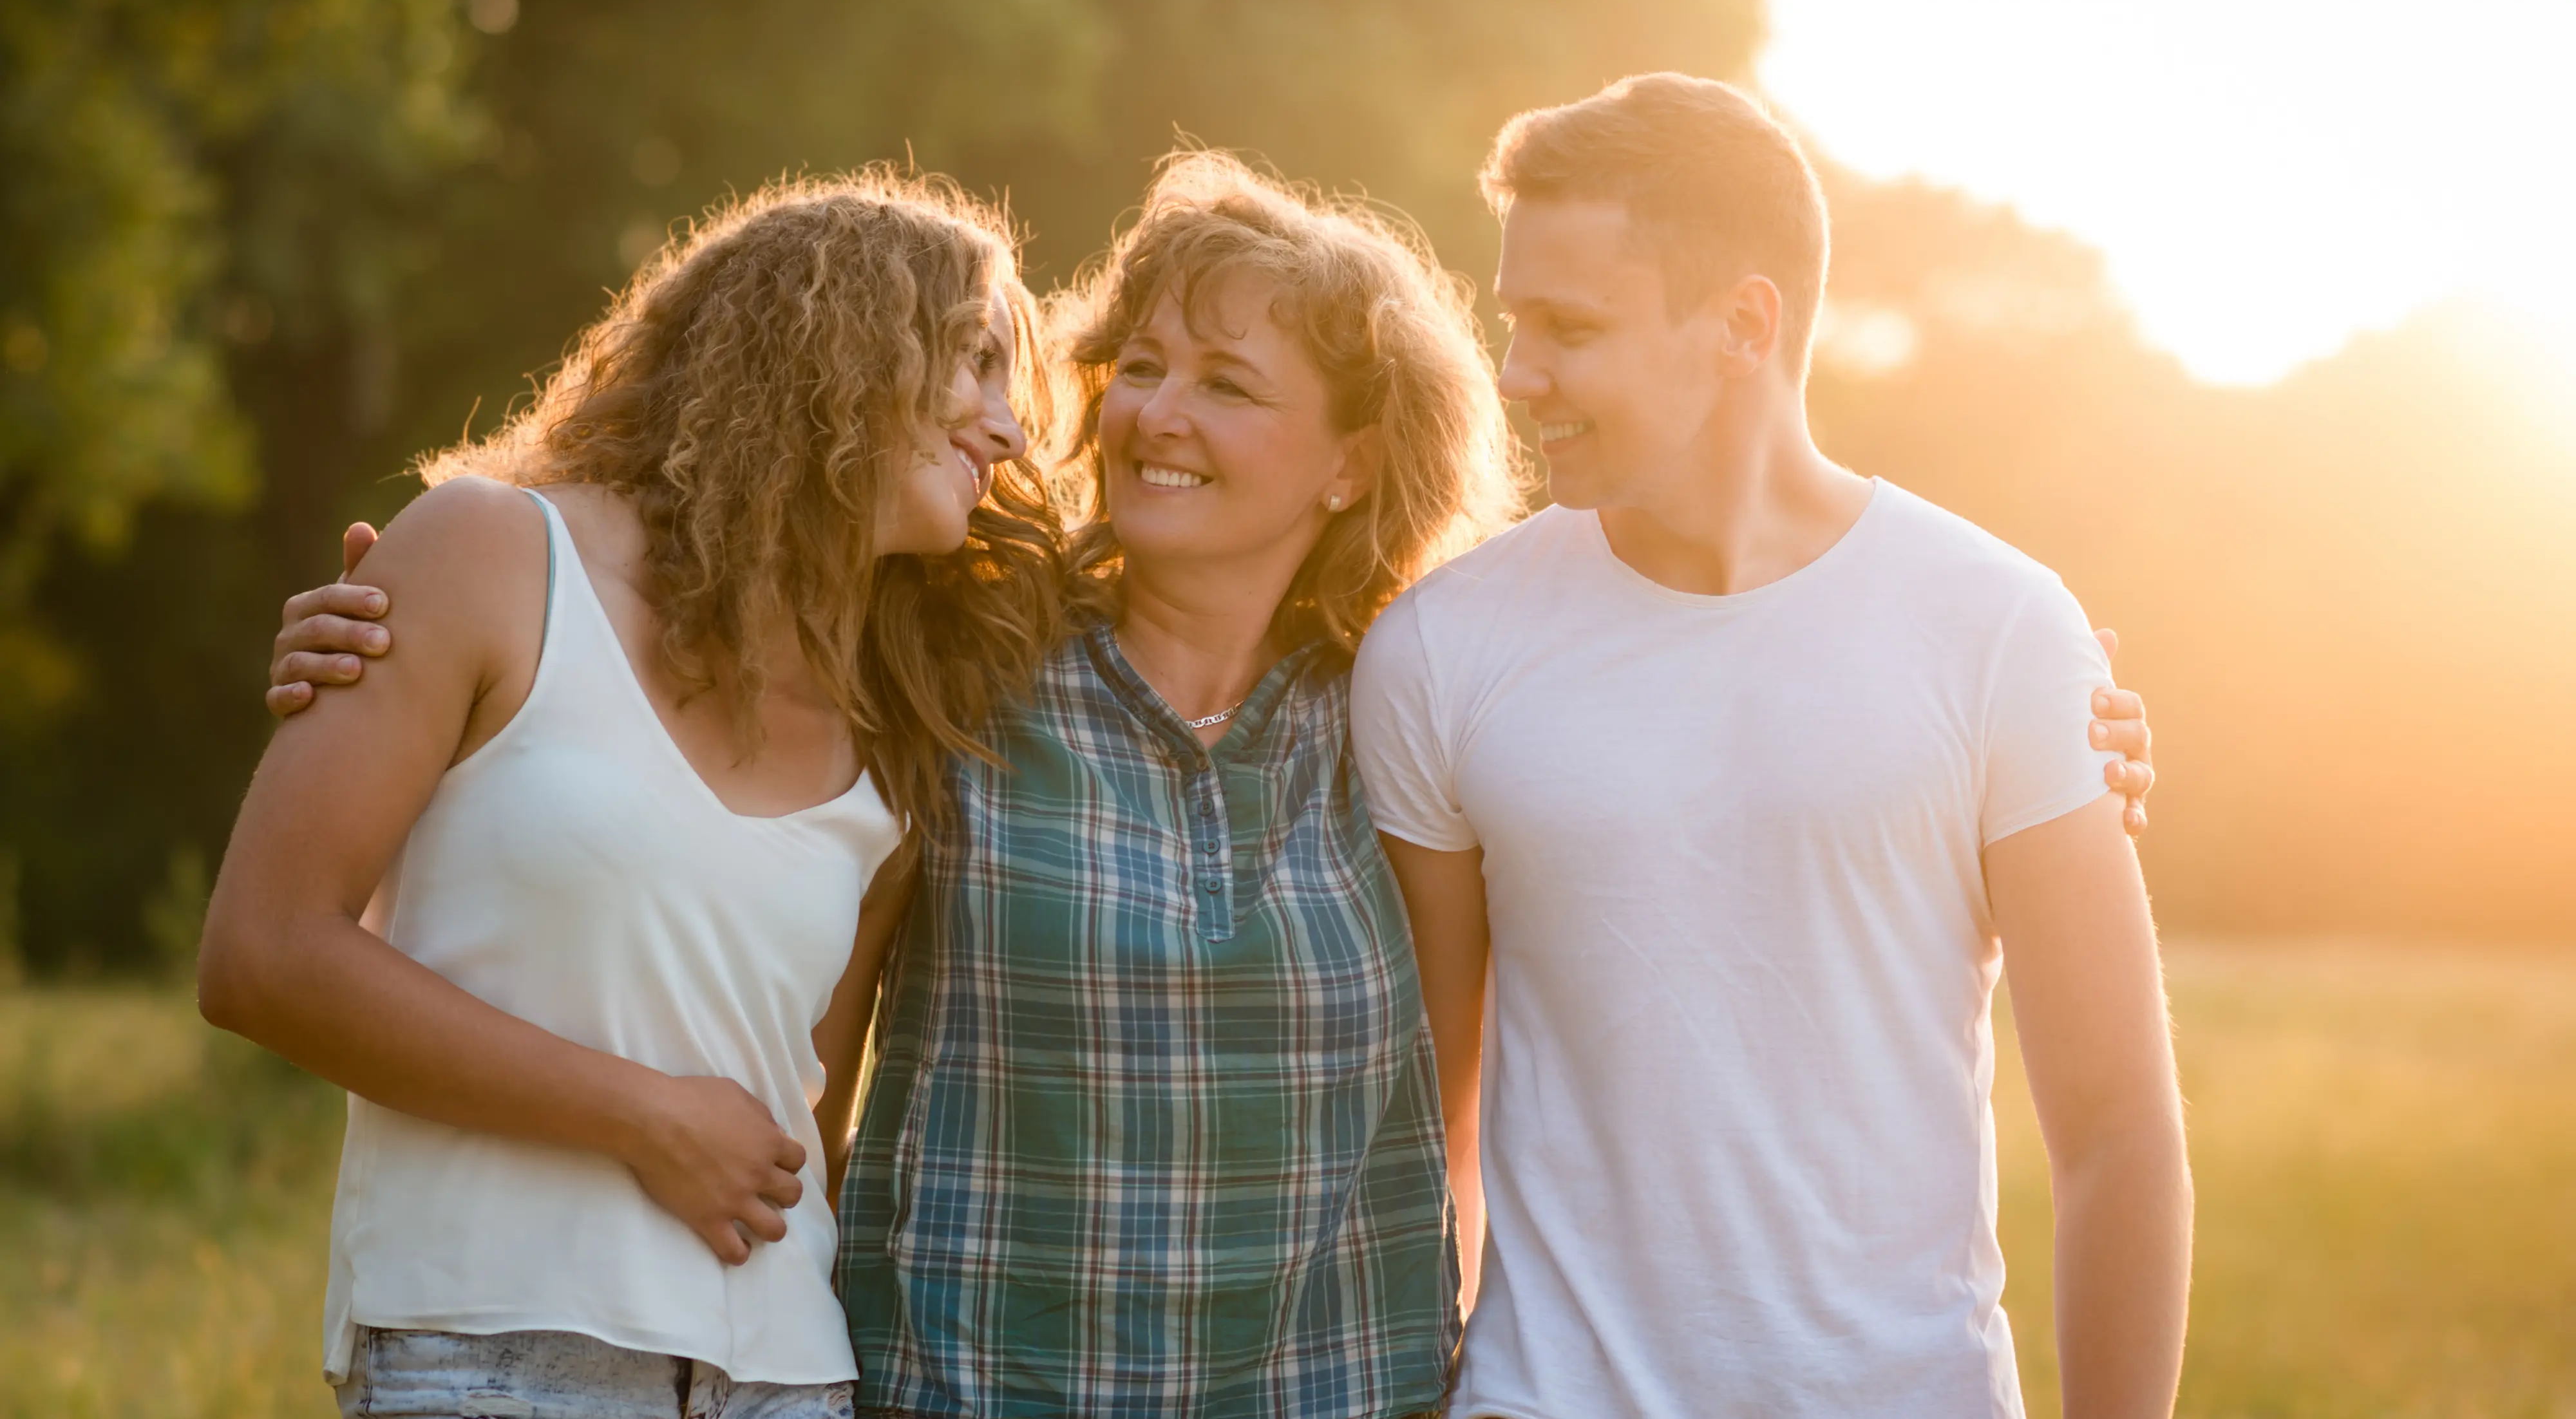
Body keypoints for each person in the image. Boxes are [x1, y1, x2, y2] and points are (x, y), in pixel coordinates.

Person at [260, 153, 2159, 1418]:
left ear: (1351, 461)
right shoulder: (952, 648)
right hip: (962, 1372)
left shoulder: (1423, 692)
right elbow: (679, 692)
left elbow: (1651, 782)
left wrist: (2057, 732)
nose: (1154, 414)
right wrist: (382, 624)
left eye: (1226, 383)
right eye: (1138, 365)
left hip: (1325, 1383)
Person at [1351, 74, 2187, 1419]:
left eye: (1567, 328)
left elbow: (2113, 1137)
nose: (1515, 374)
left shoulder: (2000, 634)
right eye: (1516, 323)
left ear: (1742, 324)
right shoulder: (1439, 654)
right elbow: (1422, 1131)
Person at [197, 171, 1063, 1418]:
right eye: (977, 361)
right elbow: (264, 956)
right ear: (841, 350)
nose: (1008, 426)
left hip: (787, 1373)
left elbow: (796, 1129)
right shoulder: (489, 555)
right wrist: (643, 1119)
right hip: (487, 1350)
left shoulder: (896, 742)